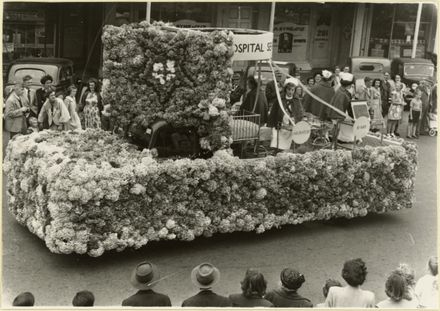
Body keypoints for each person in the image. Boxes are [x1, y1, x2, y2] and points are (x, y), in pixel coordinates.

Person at [267, 78, 301, 151]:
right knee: (277, 142)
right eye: (289, 89)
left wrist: (297, 121)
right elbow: (274, 111)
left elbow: (299, 112)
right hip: (280, 125)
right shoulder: (280, 99)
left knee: (288, 145)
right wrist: (274, 123)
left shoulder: (296, 100)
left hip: (291, 125)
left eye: (292, 90)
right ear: (285, 89)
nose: (290, 92)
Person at [327, 72, 355, 147]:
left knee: (336, 130)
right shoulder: (342, 93)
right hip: (337, 114)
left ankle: (334, 144)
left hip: (335, 113)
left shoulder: (341, 90)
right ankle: (334, 145)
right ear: (348, 85)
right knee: (336, 130)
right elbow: (339, 105)